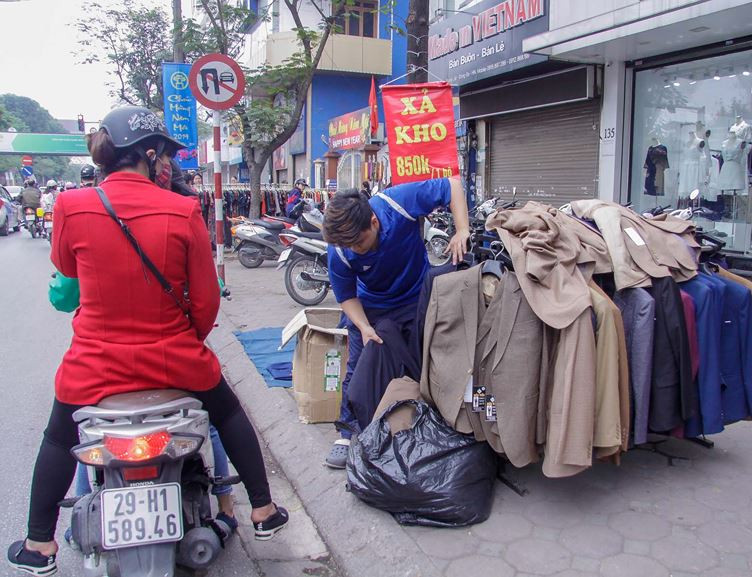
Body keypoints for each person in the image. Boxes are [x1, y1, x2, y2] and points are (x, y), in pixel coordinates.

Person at [6, 106, 288, 576]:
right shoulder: (182, 210)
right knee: (231, 413)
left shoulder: (72, 206)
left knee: (58, 436)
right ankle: (262, 511)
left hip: (92, 368)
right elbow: (205, 302)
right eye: (162, 157)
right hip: (175, 361)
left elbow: (67, 275)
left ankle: (39, 545)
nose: (165, 165)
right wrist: (183, 342)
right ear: (149, 154)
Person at [321, 177, 469, 468]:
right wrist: (364, 327)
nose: (355, 250)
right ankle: (346, 432)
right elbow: (346, 296)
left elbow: (452, 186)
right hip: (371, 306)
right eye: (348, 245)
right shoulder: (340, 250)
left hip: (416, 297)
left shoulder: (396, 203)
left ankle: (427, 419)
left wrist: (462, 229)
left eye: (359, 242)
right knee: (359, 365)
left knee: (423, 360)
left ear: (374, 222)